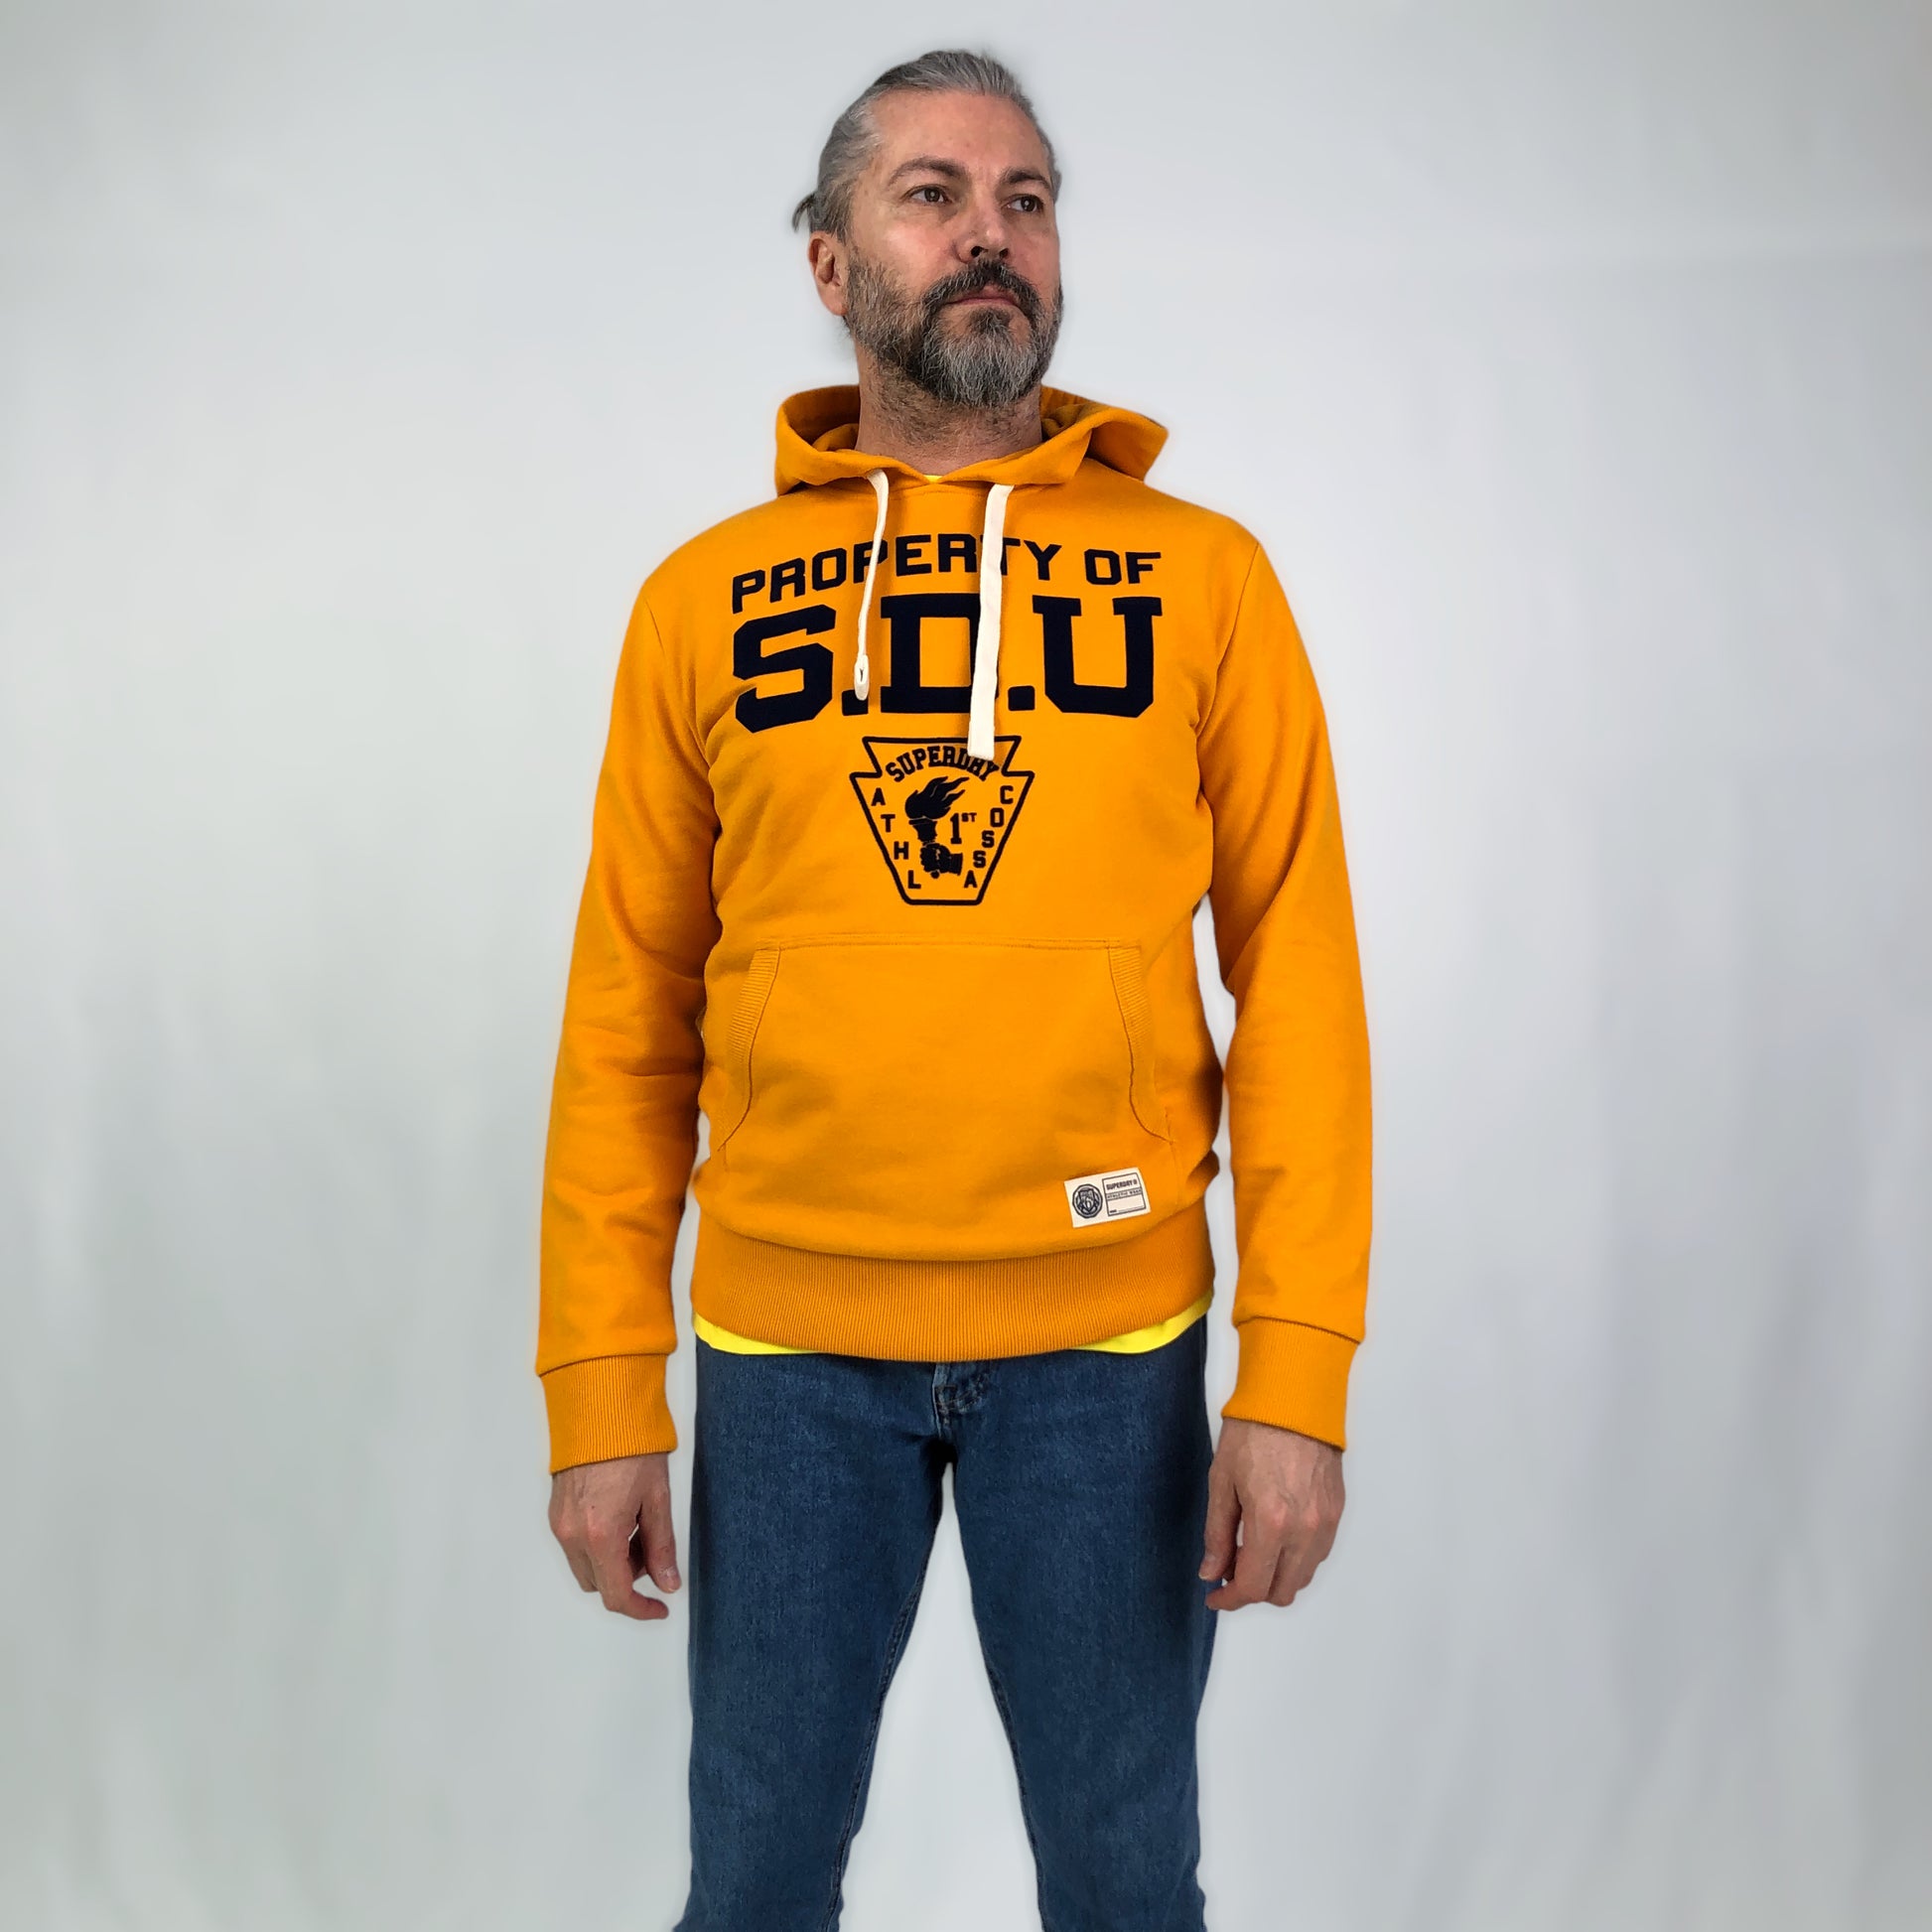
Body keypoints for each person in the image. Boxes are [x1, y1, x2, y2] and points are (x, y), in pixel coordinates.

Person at [538, 48, 1373, 1932]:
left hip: (1110, 1354)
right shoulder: (701, 602)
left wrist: (1296, 1376)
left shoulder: (1203, 581)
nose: (990, 234)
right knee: (756, 1884)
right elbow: (626, 1014)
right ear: (831, 264)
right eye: (931, 195)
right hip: (783, 1359)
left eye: (1026, 199)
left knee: (1123, 1884)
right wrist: (600, 1390)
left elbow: (1300, 982)